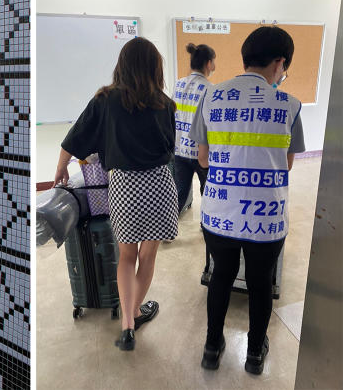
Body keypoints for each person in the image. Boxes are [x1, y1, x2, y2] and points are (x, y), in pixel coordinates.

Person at [188, 26, 304, 374]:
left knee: (221, 275)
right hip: (265, 217)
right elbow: (286, 164)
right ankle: (254, 354)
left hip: (220, 212)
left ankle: (212, 347)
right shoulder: (290, 105)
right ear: (280, 63)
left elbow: (203, 159)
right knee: (260, 281)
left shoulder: (211, 96)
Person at [55, 37, 178, 351]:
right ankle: (136, 312)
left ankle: (126, 326)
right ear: (155, 67)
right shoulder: (165, 104)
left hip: (123, 185)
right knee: (148, 256)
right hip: (159, 183)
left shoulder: (104, 99)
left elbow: (75, 137)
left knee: (126, 256)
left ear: (122, 64)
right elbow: (169, 149)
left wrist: (61, 168)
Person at [172, 43, 216, 214]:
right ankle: (207, 224)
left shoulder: (178, 84)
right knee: (208, 191)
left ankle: (168, 230)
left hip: (179, 149)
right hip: (201, 151)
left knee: (180, 192)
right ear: (208, 64)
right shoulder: (210, 89)